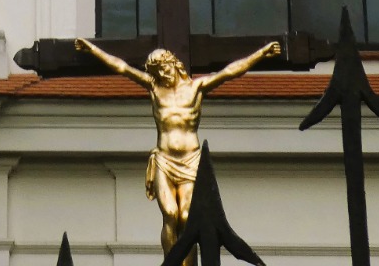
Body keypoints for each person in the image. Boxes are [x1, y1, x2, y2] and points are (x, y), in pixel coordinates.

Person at [74, 38, 282, 257]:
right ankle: (171, 261)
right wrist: (92, 50)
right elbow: (122, 67)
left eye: (164, 68)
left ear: (173, 63)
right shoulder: (154, 87)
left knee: (186, 217)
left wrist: (261, 54)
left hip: (190, 161)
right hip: (164, 160)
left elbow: (230, 72)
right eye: (158, 72)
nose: (163, 74)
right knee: (170, 214)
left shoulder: (196, 87)